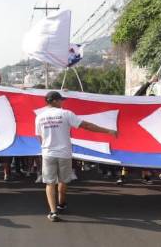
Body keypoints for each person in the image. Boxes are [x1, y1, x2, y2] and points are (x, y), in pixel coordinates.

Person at [36, 91, 118, 222]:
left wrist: (45, 147)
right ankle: (61, 203)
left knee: (49, 183)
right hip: (64, 153)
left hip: (48, 153)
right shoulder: (66, 114)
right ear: (55, 101)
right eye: (61, 100)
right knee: (63, 181)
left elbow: (38, 136)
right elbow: (86, 125)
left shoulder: (40, 117)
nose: (62, 102)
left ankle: (53, 212)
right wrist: (108, 131)